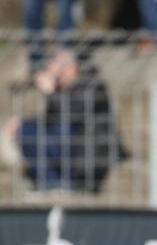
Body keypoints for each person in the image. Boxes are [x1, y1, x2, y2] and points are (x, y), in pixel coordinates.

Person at [9, 50, 127, 193]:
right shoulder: (63, 90)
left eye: (54, 66)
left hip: (89, 153)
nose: (49, 69)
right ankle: (51, 183)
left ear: (70, 69)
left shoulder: (90, 85)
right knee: (24, 129)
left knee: (59, 128)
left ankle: (64, 185)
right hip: (71, 148)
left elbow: (71, 117)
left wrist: (50, 92)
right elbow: (50, 120)